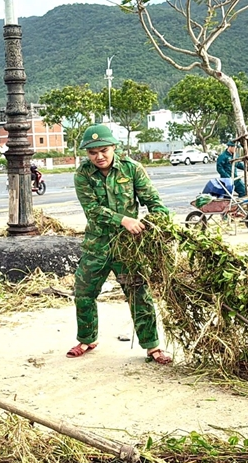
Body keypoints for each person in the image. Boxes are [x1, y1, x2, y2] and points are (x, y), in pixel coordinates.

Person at [67, 124, 172, 365]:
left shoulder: (132, 169)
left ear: (114, 147)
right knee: (84, 294)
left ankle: (152, 347)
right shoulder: (82, 174)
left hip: (128, 248)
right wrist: (123, 220)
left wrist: (158, 224)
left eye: (104, 150)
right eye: (93, 153)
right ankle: (87, 339)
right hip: (97, 246)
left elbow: (154, 202)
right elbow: (92, 211)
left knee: (139, 295)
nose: (99, 157)